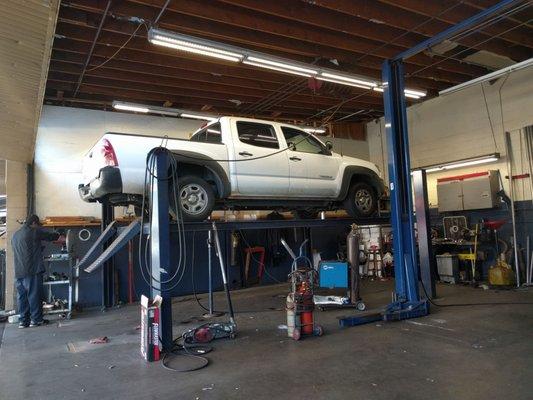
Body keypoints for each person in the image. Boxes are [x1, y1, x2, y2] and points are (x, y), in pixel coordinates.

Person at [12, 215, 60, 328]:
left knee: (22, 297)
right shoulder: (33, 232)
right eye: (37, 225)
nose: (38, 227)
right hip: (32, 270)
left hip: (19, 271)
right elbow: (49, 236)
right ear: (33, 223)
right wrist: (59, 234)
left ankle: (23, 321)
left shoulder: (15, 235)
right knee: (34, 295)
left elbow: (25, 249)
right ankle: (36, 320)